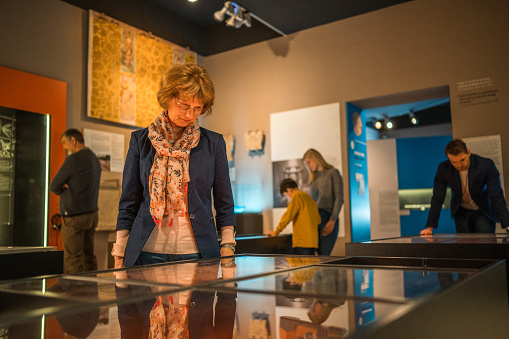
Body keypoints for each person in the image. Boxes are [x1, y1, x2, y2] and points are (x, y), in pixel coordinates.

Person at [112, 64, 236, 268]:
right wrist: (119, 253)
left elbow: (224, 201)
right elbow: (129, 202)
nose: (190, 115)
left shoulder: (213, 143)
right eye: (184, 105)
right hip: (146, 250)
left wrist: (228, 245)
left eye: (198, 109)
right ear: (167, 97)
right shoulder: (141, 141)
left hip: (198, 251)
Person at [420, 138, 509, 235]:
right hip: (461, 211)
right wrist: (429, 227)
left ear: (468, 153)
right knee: (465, 247)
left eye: (462, 160)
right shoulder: (444, 169)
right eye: (454, 162)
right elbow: (438, 197)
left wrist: (507, 224)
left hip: (483, 210)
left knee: (485, 247)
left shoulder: (486, 165)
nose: (459, 165)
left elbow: (496, 195)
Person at [49, 129, 101, 274]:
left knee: (73, 260)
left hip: (74, 217)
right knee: (89, 258)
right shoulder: (93, 158)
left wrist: (63, 189)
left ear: (73, 140)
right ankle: (91, 293)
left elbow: (53, 186)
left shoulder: (74, 159)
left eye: (64, 143)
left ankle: (75, 294)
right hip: (91, 215)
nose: (64, 147)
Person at [303, 149, 344, 255]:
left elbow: (339, 198)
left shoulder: (333, 172)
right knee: (314, 256)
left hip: (328, 217)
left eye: (309, 162)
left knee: (324, 255)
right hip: (314, 219)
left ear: (315, 158)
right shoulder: (314, 179)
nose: (308, 166)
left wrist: (332, 220)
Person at [266, 178, 320, 255]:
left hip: (302, 242)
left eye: (286, 195)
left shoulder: (296, 196)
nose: (288, 197)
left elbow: (288, 216)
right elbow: (318, 220)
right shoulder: (308, 198)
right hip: (313, 242)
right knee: (311, 266)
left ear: (288, 190)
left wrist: (276, 232)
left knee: (302, 267)